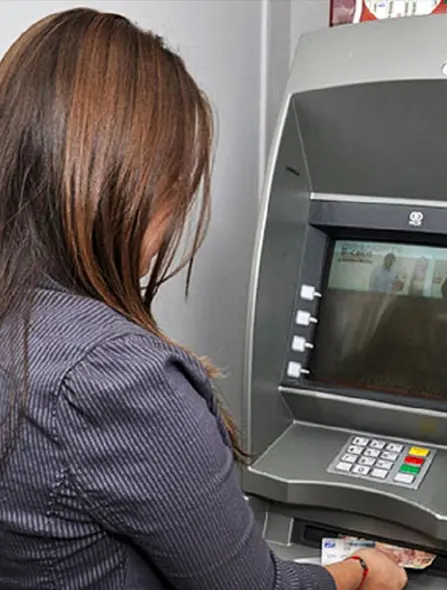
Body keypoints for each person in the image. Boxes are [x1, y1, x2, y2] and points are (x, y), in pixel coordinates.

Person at [0, 9, 406, 590]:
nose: (172, 221)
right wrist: (363, 570)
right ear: (124, 184)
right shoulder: (115, 377)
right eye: (174, 187)